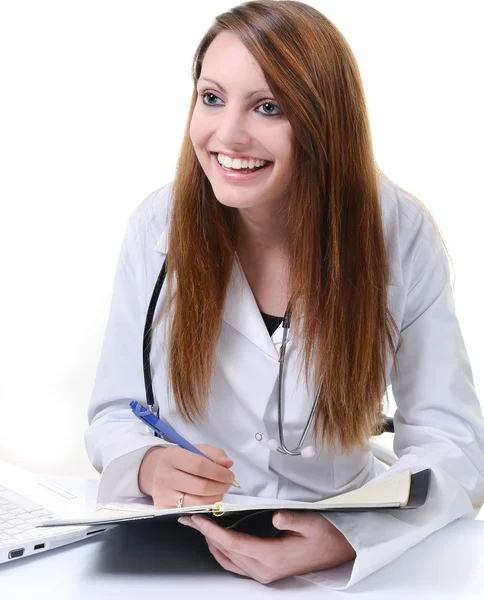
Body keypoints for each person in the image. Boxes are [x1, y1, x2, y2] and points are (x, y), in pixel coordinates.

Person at [85, 0, 484, 590]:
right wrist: (145, 465)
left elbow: (452, 444)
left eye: (267, 107)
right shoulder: (158, 225)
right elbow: (116, 412)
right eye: (211, 97)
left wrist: (346, 537)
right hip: (183, 547)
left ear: (326, 122)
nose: (227, 135)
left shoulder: (398, 230)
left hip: (343, 547)